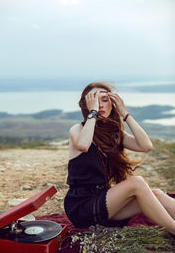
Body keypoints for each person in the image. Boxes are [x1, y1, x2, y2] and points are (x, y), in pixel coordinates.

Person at [64, 82, 175, 236]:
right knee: (137, 182)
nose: (100, 105)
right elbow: (83, 145)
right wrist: (93, 112)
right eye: (95, 100)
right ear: (87, 105)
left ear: (113, 103)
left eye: (105, 100)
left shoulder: (114, 134)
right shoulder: (78, 129)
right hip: (82, 207)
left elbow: (146, 146)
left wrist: (125, 113)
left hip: (105, 203)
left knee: (155, 193)